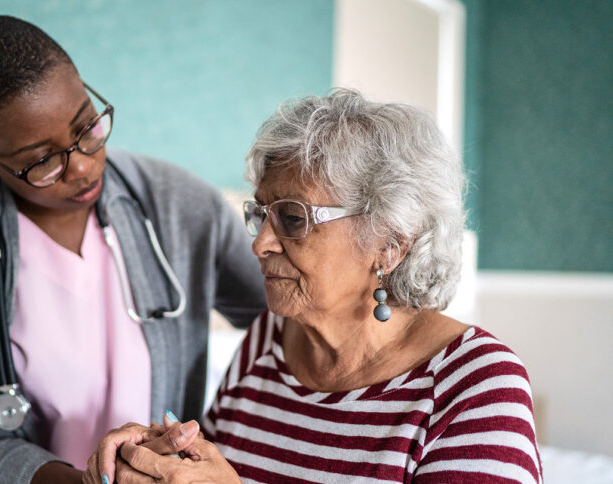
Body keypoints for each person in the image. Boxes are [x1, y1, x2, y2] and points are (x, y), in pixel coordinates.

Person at [88, 89, 542, 483]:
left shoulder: (476, 386)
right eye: (261, 215)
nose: (261, 244)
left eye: (291, 218)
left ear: (388, 245)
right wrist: (157, 458)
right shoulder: (269, 340)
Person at [0, 15, 266, 484]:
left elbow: (287, 323)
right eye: (43, 161)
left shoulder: (181, 206)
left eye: (87, 127)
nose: (83, 168)